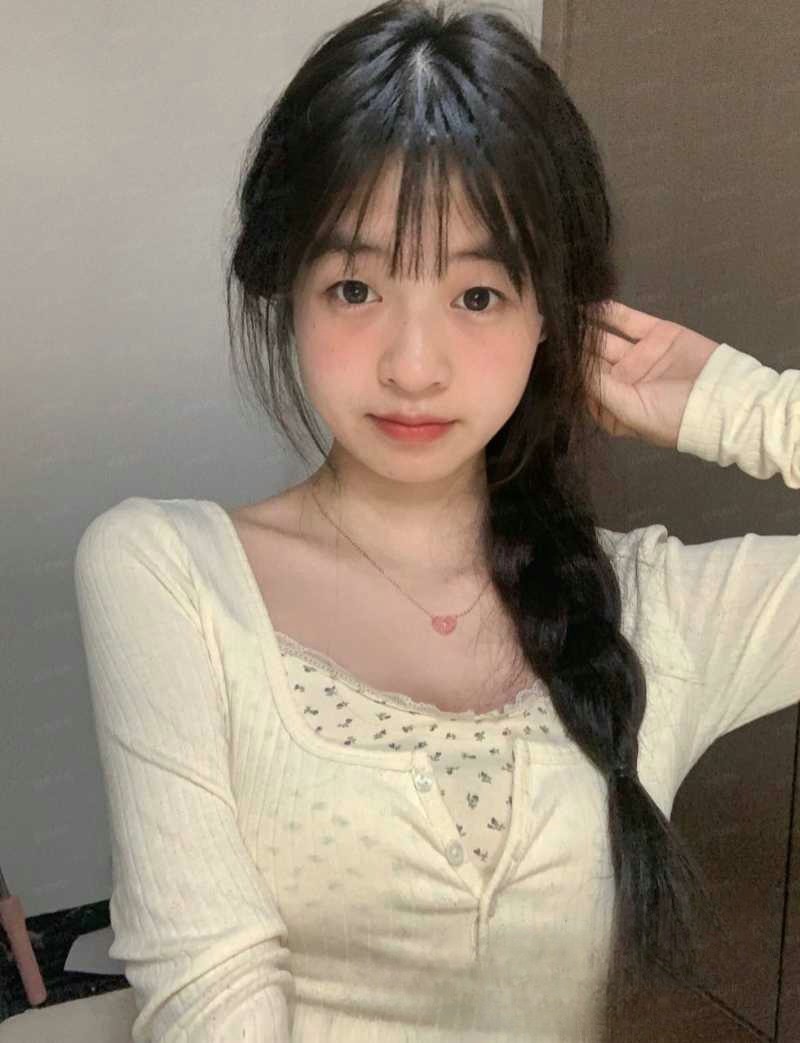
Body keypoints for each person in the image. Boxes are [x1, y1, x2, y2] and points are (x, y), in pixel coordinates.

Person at [73, 1, 800, 1040]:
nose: (412, 366)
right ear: (288, 291)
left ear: (552, 314)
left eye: (478, 295)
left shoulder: (657, 613)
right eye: (355, 286)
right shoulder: (169, 574)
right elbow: (209, 998)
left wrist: (737, 404)